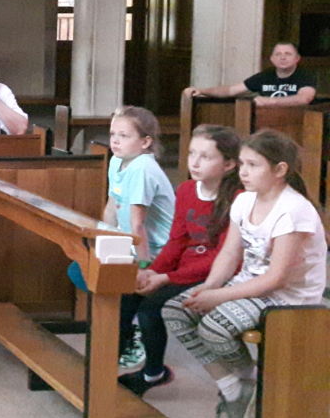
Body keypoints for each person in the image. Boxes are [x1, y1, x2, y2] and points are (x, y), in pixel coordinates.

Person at [163, 129, 327, 418]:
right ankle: (232, 386)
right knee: (176, 310)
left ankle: (250, 380)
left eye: (253, 165)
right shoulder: (244, 200)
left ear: (280, 170)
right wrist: (210, 287)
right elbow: (229, 253)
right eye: (241, 164)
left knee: (213, 326)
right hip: (250, 285)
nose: (243, 172)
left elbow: (276, 278)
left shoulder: (294, 210)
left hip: (287, 297)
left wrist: (220, 297)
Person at [117, 125, 242, 396]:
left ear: (229, 164)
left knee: (151, 307)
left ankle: (153, 373)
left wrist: (166, 278)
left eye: (205, 157)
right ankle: (106, 366)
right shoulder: (186, 190)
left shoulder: (238, 198)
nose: (194, 162)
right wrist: (150, 271)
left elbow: (224, 256)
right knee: (126, 294)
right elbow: (177, 241)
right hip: (183, 269)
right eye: (192, 154)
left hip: (215, 274)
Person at [68, 106, 175, 369]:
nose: (115, 141)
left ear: (145, 142)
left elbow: (138, 224)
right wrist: (101, 244)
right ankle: (124, 330)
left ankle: (129, 336)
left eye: (124, 136)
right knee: (79, 269)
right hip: (129, 243)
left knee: (116, 284)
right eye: (112, 134)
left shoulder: (142, 168)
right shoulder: (117, 161)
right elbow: (112, 206)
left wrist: (143, 267)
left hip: (156, 251)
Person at [184, 42, 318, 108]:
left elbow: (304, 98)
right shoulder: (265, 76)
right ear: (272, 59)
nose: (282, 58)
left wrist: (271, 101)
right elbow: (231, 90)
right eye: (278, 54)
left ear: (297, 58)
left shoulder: (305, 76)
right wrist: (202, 91)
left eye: (288, 54)